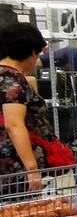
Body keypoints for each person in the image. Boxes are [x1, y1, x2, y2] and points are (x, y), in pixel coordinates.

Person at [0, 23, 65, 190]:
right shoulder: (12, 79)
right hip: (15, 166)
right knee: (23, 212)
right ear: (31, 52)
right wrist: (32, 169)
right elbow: (13, 124)